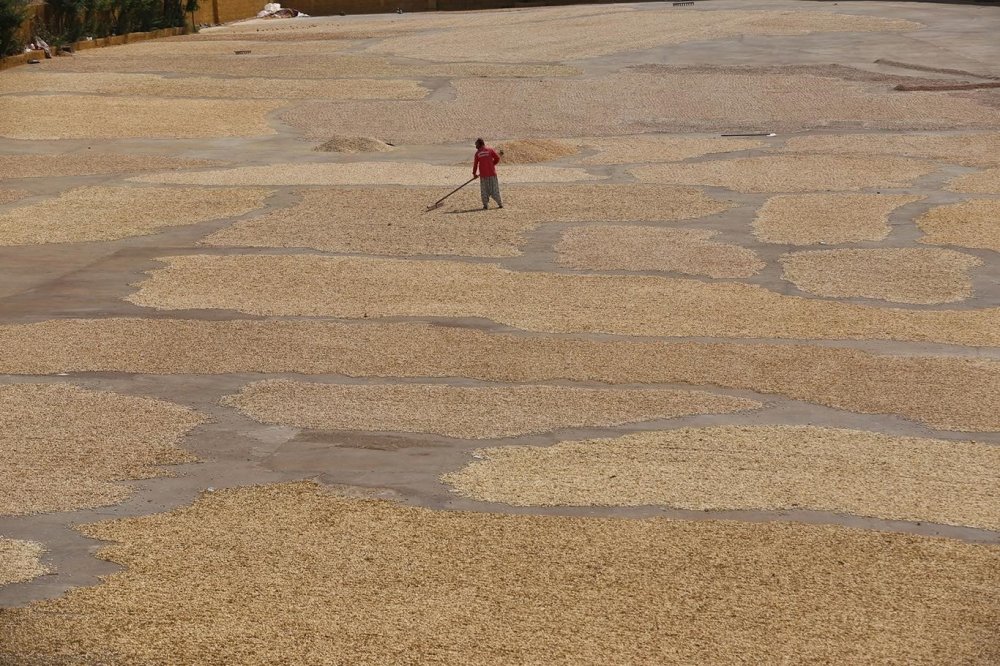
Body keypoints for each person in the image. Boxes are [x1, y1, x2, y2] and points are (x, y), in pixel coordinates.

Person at [472, 138, 503, 210]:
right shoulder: (490, 150)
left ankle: (485, 205)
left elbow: (475, 165)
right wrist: (492, 165)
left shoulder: (477, 153)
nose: (475, 146)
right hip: (492, 174)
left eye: (476, 144)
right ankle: (500, 204)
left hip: (484, 176)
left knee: (484, 190)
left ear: (480, 144)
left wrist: (474, 174)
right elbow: (497, 158)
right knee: (495, 190)